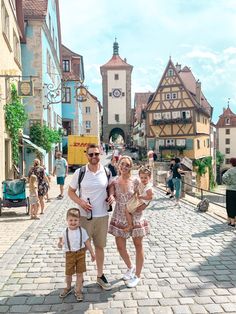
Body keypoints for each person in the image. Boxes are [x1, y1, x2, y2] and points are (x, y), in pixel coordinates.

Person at [68, 143, 114, 291]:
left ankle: (100, 275)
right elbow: (71, 192)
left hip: (102, 216)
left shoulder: (106, 171)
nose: (94, 157)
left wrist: (111, 195)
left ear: (100, 154)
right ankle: (79, 277)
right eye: (91, 154)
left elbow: (110, 186)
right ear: (86, 156)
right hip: (84, 217)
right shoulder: (80, 172)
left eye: (96, 154)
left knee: (100, 246)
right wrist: (81, 202)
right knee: (81, 248)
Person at [108, 156, 150, 288]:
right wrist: (111, 196)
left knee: (138, 246)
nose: (124, 167)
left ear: (130, 167)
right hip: (120, 214)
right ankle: (130, 267)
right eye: (122, 164)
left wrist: (141, 208)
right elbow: (112, 192)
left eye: (127, 165)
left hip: (135, 214)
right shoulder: (114, 181)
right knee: (120, 246)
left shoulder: (136, 181)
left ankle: (137, 275)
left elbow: (147, 196)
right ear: (118, 165)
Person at [58, 208, 95, 302]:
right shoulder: (64, 232)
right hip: (69, 254)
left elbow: (87, 242)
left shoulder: (82, 231)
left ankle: (78, 290)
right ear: (67, 220)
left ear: (79, 220)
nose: (73, 222)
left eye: (75, 220)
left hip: (80, 254)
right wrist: (60, 243)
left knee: (79, 273)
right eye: (71, 220)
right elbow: (61, 244)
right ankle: (68, 287)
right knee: (68, 273)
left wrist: (92, 253)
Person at [124, 166, 153, 232]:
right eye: (141, 178)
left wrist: (141, 197)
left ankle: (130, 225)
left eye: (145, 178)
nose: (143, 179)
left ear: (150, 177)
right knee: (128, 209)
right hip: (140, 200)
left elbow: (150, 197)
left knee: (127, 210)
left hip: (141, 202)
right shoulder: (143, 184)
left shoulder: (149, 187)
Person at [222, 157, 236, 227]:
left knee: (230, 205)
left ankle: (232, 222)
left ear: (231, 163)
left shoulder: (230, 170)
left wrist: (228, 183)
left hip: (230, 190)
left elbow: (224, 177)